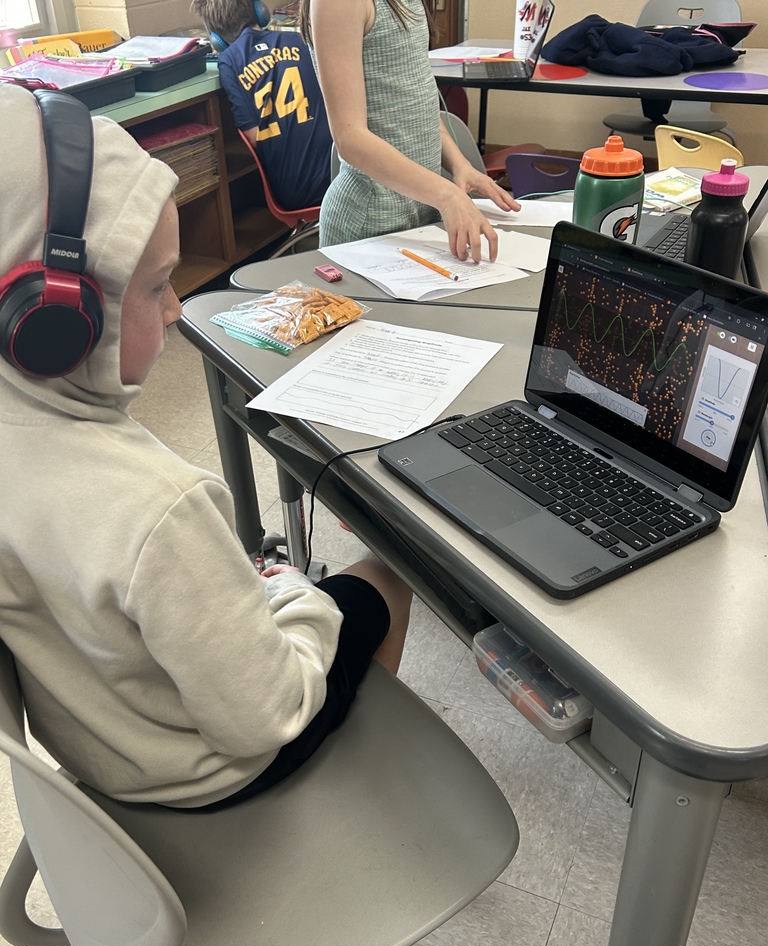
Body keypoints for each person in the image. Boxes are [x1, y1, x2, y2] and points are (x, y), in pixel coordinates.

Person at [0, 84, 411, 810]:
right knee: (384, 579)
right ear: (54, 320)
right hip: (203, 774)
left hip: (102, 754)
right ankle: (354, 790)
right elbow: (264, 715)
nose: (178, 307)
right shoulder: (159, 508)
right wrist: (292, 593)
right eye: (158, 285)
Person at [302, 0, 521, 262]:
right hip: (372, 219)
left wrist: (460, 165)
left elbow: (413, 105)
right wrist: (448, 196)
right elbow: (350, 138)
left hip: (421, 204)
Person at [193, 0, 333, 210]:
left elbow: (253, 138)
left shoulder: (229, 62)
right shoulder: (298, 40)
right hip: (340, 178)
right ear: (260, 11)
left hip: (294, 191)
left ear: (215, 38)